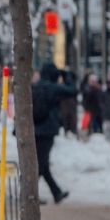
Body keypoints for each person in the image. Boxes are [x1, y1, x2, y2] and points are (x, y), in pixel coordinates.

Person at [30, 65, 71, 204]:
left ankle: (55, 192)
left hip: (35, 129)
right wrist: (67, 76)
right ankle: (29, 195)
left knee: (42, 164)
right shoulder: (53, 88)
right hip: (47, 130)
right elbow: (72, 91)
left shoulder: (34, 87)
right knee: (41, 164)